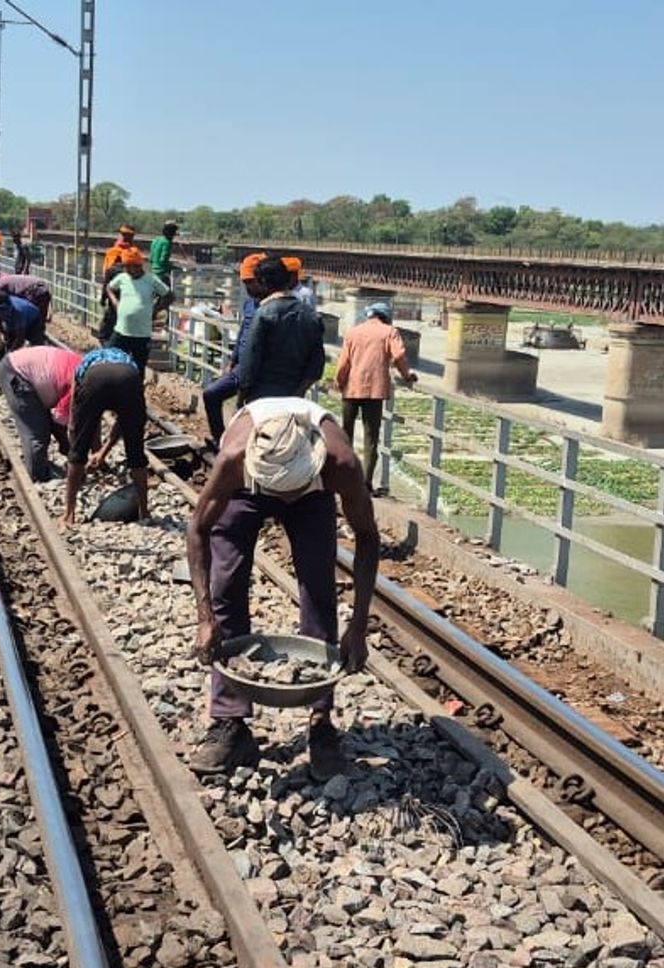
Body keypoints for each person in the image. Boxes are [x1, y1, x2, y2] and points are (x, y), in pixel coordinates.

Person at [186, 397, 380, 778]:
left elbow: (367, 538)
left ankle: (321, 722)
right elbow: (198, 529)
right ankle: (230, 723)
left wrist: (358, 627)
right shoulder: (235, 460)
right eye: (280, 492)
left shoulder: (340, 463)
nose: (284, 501)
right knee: (226, 583)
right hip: (247, 489)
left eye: (290, 491)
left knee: (318, 586)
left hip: (315, 493)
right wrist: (204, 617)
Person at [62, 346, 150, 526]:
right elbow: (122, 424)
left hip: (95, 380)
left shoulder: (84, 365)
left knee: (78, 452)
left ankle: (68, 514)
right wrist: (104, 451)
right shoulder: (127, 361)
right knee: (136, 451)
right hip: (129, 378)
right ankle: (144, 511)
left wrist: (78, 442)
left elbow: (75, 419)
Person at [335, 301, 417, 494]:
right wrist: (407, 375)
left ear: (369, 315)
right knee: (371, 438)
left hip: (351, 389)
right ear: (386, 316)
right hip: (375, 391)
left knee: (345, 433)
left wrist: (339, 382)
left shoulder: (353, 332)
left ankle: (343, 478)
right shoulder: (390, 332)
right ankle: (365, 483)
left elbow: (343, 363)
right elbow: (399, 357)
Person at [237, 256, 326, 403]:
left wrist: (241, 398)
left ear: (263, 283)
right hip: (297, 394)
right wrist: (300, 391)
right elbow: (317, 362)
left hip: (263, 394)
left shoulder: (262, 314)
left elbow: (250, 362)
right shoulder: (312, 316)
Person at [202, 252, 265, 448]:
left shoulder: (272, 307)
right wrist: (233, 359)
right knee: (211, 394)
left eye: (251, 282)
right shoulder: (249, 304)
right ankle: (220, 441)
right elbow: (242, 334)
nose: (248, 287)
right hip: (242, 366)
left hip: (262, 369)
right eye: (245, 283)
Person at [0, 345, 81, 482]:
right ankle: (38, 477)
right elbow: (58, 423)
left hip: (26, 368)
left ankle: (40, 467)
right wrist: (68, 448)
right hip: (17, 373)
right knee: (37, 435)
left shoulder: (86, 372)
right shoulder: (79, 387)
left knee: (43, 424)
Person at [104, 248, 172, 374]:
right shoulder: (123, 278)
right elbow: (109, 287)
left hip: (141, 335)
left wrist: (155, 309)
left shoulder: (151, 280)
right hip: (121, 331)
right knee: (110, 360)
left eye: (129, 267)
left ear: (138, 266)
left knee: (138, 368)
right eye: (126, 267)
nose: (127, 270)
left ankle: (136, 392)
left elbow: (168, 295)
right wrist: (115, 302)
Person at [0, 289, 45, 356]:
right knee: (10, 340)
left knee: (36, 346)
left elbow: (20, 338)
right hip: (11, 318)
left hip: (34, 320)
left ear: (7, 307)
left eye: (0, 310)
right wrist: (3, 336)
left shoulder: (18, 311)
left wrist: (9, 354)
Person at [149, 220, 179, 287]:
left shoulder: (156, 240)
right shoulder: (167, 243)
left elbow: (151, 258)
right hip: (162, 274)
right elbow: (163, 260)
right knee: (168, 294)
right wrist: (172, 267)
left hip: (153, 272)